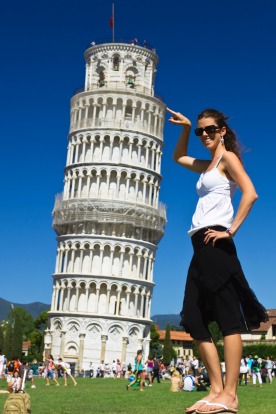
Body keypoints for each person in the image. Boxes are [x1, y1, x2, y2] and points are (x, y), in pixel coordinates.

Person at [167, 107, 268, 414]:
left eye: (210, 129)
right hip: (199, 246)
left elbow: (250, 193)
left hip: (216, 242)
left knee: (228, 319)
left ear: (222, 130)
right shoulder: (208, 164)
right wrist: (185, 128)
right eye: (200, 131)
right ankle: (215, 389)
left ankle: (231, 395)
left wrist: (231, 230)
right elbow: (179, 158)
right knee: (193, 317)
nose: (205, 135)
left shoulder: (228, 159)